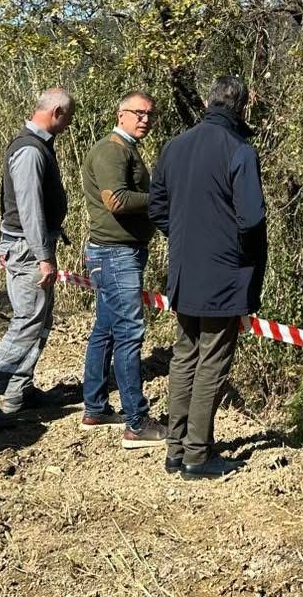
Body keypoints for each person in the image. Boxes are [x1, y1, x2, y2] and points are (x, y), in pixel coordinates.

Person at [148, 75, 267, 479]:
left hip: (184, 272)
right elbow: (251, 219)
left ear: (209, 102)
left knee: (184, 357)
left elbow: (157, 208)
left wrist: (184, 236)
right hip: (223, 275)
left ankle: (175, 450)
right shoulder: (239, 150)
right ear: (241, 107)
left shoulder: (174, 146)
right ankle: (198, 455)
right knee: (212, 362)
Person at [0, 86, 76, 430]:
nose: (68, 125)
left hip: (32, 247)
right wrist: (44, 256)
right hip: (29, 250)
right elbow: (28, 209)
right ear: (56, 112)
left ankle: (18, 390)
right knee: (27, 322)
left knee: (40, 321)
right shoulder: (30, 150)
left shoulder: (36, 145)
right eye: (68, 118)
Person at [78, 90, 167, 448]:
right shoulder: (112, 151)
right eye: (138, 113)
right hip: (116, 255)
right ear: (121, 114)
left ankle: (96, 408)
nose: (144, 119)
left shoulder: (125, 149)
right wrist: (163, 196)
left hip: (118, 253)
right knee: (130, 333)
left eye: (149, 114)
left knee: (107, 330)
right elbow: (115, 200)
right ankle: (136, 421)